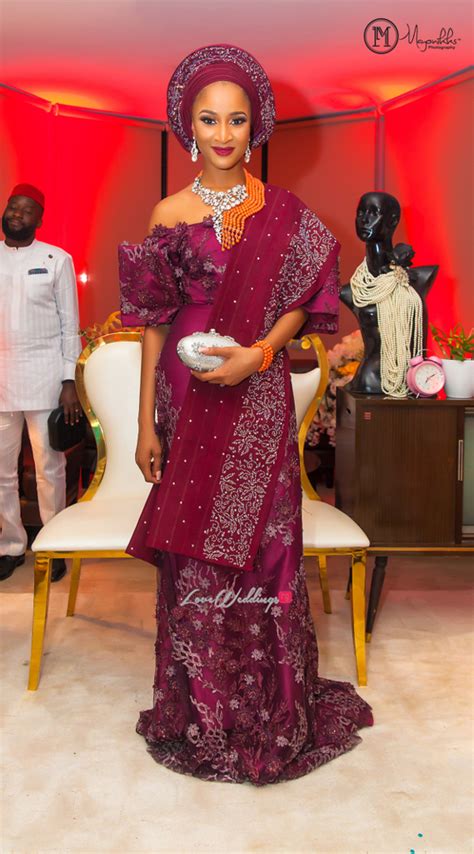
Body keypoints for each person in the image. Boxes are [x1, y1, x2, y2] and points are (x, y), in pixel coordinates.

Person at [119, 44, 374, 785]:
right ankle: (202, 709)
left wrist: (259, 355)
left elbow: (305, 301)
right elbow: (153, 323)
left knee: (266, 544)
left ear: (256, 125)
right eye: (209, 119)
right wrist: (145, 423)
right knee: (195, 553)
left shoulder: (284, 214)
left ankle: (271, 705)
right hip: (186, 396)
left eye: (236, 119)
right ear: (187, 126)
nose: (224, 133)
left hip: (257, 390)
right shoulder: (168, 213)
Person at [0, 184, 83, 582]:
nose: (16, 214)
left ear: (40, 219)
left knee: (50, 466)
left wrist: (69, 380)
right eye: (12, 206)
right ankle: (11, 545)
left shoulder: (57, 259)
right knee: (3, 471)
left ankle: (54, 545)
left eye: (26, 210)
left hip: (46, 377)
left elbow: (70, 325)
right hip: (0, 379)